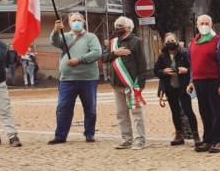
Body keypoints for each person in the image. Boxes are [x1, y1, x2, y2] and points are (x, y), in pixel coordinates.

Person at [49, 13, 102, 144]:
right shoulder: (65, 37)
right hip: (67, 79)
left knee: (90, 108)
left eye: (79, 20)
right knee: (63, 108)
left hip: (88, 79)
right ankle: (60, 135)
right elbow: (54, 42)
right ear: (69, 23)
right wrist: (55, 30)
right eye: (74, 20)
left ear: (84, 21)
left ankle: (89, 133)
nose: (76, 22)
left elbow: (97, 52)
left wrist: (79, 60)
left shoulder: (91, 37)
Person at [187, 14, 220, 154]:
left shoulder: (218, 41)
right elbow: (192, 64)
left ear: (211, 25)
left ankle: (217, 141)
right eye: (201, 23)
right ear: (197, 25)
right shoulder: (193, 42)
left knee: (216, 112)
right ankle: (207, 139)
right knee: (204, 112)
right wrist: (191, 81)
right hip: (199, 81)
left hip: (214, 81)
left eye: (207, 23)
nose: (204, 25)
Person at [103, 16, 148, 150]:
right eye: (117, 25)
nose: (118, 27)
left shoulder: (136, 41)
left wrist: (140, 84)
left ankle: (139, 139)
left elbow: (142, 63)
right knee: (121, 113)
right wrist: (115, 52)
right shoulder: (113, 42)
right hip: (116, 84)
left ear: (129, 27)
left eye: (121, 25)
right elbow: (104, 57)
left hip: (132, 84)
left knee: (136, 113)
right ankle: (126, 138)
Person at [154, 32, 199, 146]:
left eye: (172, 41)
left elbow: (193, 67)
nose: (170, 43)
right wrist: (163, 71)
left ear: (177, 41)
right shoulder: (163, 55)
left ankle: (196, 135)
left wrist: (186, 70)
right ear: (164, 43)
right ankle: (179, 134)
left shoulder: (184, 53)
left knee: (188, 111)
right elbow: (156, 70)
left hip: (183, 87)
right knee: (175, 112)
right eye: (168, 41)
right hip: (170, 87)